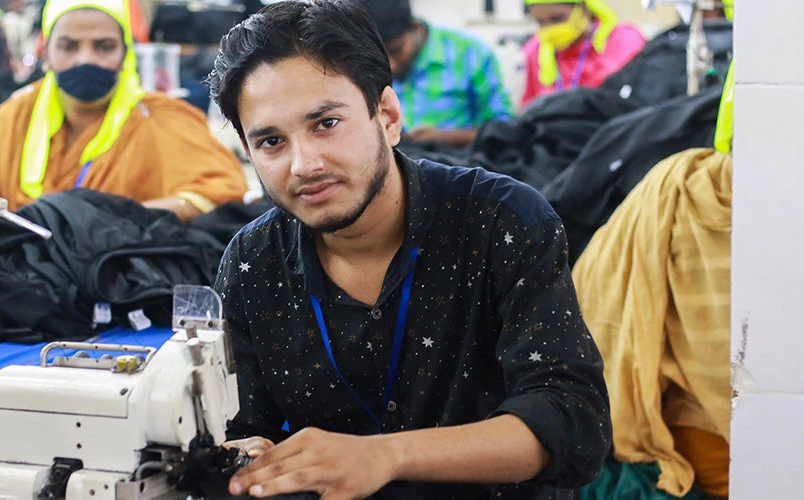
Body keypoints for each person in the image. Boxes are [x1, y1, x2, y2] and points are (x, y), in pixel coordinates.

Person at [207, 1, 610, 498]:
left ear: (388, 116)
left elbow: (572, 422)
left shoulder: (500, 223)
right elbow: (241, 429)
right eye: (271, 141)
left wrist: (385, 456)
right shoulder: (252, 264)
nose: (304, 164)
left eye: (326, 123)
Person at [0, 0, 247, 239]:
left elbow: (223, 194)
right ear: (46, 52)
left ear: (125, 53)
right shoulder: (16, 114)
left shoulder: (161, 117)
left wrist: (100, 218)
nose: (85, 59)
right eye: (68, 46)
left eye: (104, 46)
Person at [353, 0, 513, 148]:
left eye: (396, 51)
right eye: (380, 54)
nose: (390, 66)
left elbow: (504, 132)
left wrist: (447, 138)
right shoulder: (360, 62)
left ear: (416, 28)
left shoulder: (470, 55)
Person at [521, 0, 645, 107]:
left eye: (557, 19)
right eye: (540, 22)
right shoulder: (536, 49)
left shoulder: (623, 40)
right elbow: (529, 105)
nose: (548, 28)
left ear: (585, 8)